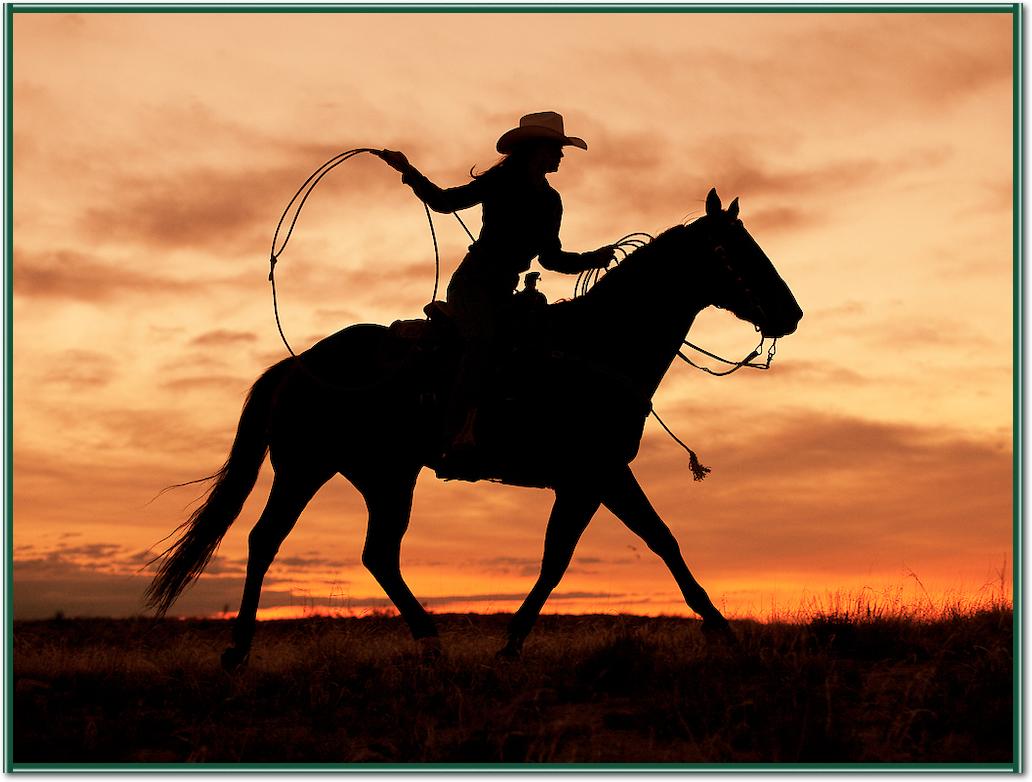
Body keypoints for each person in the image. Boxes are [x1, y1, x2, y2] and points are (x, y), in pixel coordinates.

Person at [378, 111, 614, 470]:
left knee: (541, 342)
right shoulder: (501, 181)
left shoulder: (551, 201)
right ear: (538, 150)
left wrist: (591, 259)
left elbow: (550, 258)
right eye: (557, 149)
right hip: (473, 285)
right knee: (481, 341)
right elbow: (444, 202)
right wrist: (409, 173)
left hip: (504, 290)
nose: (561, 156)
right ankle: (454, 434)